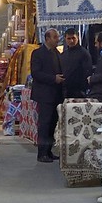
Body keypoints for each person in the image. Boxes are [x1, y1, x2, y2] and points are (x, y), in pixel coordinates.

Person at [29, 28, 63, 162]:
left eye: (57, 37)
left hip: (56, 95)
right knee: (44, 123)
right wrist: (53, 78)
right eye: (55, 37)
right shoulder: (38, 54)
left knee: (52, 123)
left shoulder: (57, 53)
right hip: (44, 95)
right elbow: (36, 73)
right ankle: (41, 153)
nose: (57, 39)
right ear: (47, 39)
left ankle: (48, 151)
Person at [60, 28, 92, 99]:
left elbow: (88, 72)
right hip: (65, 92)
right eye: (69, 38)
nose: (71, 41)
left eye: (73, 38)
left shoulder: (84, 53)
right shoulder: (63, 55)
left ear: (77, 37)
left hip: (79, 93)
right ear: (65, 39)